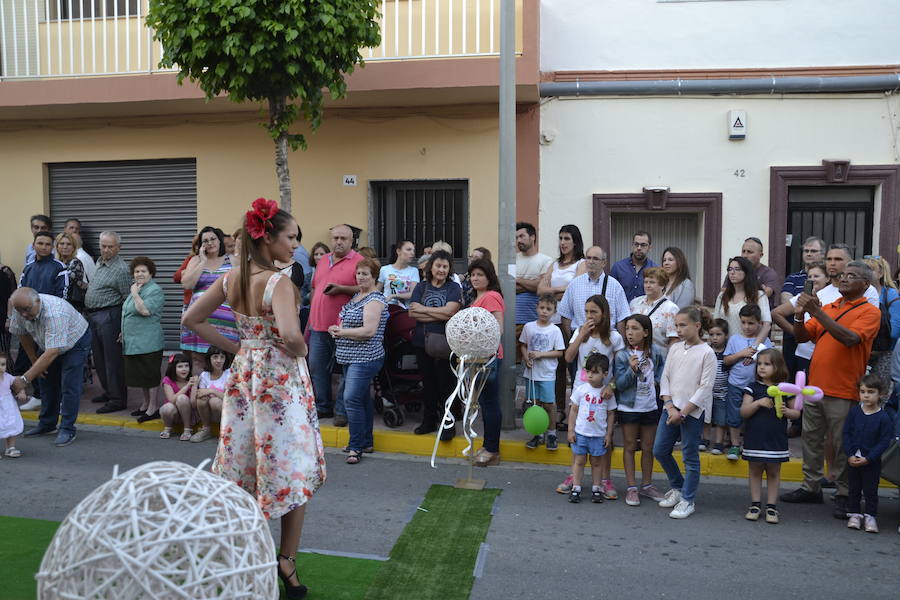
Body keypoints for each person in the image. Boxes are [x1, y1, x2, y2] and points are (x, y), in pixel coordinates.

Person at [183, 198, 324, 597]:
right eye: (291, 237)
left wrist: (238, 348)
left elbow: (190, 319)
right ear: (268, 240)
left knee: (244, 468)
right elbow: (292, 335)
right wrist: (300, 351)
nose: (296, 245)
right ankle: (286, 561)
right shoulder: (279, 282)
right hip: (280, 383)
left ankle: (244, 559)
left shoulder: (230, 280)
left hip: (246, 377)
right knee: (291, 469)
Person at [781, 261, 882, 519]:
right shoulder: (830, 306)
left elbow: (850, 338)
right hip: (816, 387)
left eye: (852, 276)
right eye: (843, 275)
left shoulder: (869, 312)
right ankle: (811, 487)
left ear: (865, 284)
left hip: (844, 389)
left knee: (841, 445)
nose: (844, 279)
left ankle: (844, 493)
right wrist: (800, 315)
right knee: (811, 440)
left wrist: (818, 312)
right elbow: (803, 337)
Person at [557, 295, 624, 497]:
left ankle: (605, 479)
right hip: (582, 389)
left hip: (603, 393)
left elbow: (620, 367)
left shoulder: (614, 337)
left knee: (603, 437)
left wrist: (611, 385)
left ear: (604, 313)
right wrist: (581, 335)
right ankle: (573, 476)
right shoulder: (580, 331)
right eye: (586, 311)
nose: (589, 315)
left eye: (594, 311)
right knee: (578, 433)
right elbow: (568, 357)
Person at [654, 306, 717, 519]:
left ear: (697, 326)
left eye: (683, 325)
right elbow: (666, 378)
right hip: (670, 409)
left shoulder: (707, 353)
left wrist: (683, 412)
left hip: (692, 414)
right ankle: (678, 487)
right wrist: (670, 406)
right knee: (660, 450)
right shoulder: (675, 348)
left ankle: (688, 500)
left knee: (690, 456)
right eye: (677, 325)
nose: (679, 330)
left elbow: (705, 387)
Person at [10, 288, 92, 447]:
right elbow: (21, 333)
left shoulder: (55, 313)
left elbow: (53, 352)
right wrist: (34, 359)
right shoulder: (20, 308)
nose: (24, 315)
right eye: (20, 311)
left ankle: (67, 428)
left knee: (69, 385)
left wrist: (25, 379)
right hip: (48, 342)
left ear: (38, 301)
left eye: (27, 310)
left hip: (75, 342)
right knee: (46, 381)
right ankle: (47, 424)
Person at [330, 258, 389, 464]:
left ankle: (355, 446)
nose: (361, 277)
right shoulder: (357, 296)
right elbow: (345, 321)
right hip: (349, 356)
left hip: (365, 358)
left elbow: (369, 331)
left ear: (374, 276)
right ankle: (366, 441)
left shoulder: (374, 299)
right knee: (362, 399)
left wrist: (342, 332)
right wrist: (336, 329)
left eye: (365, 273)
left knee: (351, 399)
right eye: (359, 273)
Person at [308, 224, 363, 425]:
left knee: (345, 371)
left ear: (351, 241)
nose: (338, 242)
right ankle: (323, 407)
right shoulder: (323, 260)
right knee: (317, 367)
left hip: (345, 328)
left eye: (343, 238)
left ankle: (342, 410)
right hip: (317, 325)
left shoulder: (359, 261)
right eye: (335, 238)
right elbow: (315, 288)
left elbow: (365, 289)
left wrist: (341, 288)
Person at [740, 349, 799, 525]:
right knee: (755, 470)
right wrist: (758, 403)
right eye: (759, 364)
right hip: (755, 437)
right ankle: (755, 504)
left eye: (767, 364)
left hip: (776, 439)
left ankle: (772, 506)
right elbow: (743, 412)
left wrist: (787, 411)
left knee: (774, 472)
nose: (762, 368)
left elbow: (796, 413)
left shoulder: (785, 389)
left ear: (778, 366)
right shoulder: (753, 387)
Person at [408, 250, 462, 436]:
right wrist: (438, 312)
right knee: (428, 384)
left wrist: (424, 309)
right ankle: (429, 421)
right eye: (438, 265)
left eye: (445, 267)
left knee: (446, 384)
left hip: (444, 343)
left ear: (449, 270)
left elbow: (450, 313)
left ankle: (448, 423)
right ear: (431, 267)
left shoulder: (453, 288)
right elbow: (412, 313)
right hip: (421, 343)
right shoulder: (421, 287)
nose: (441, 270)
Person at [614, 314, 665, 506]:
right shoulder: (621, 355)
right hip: (629, 406)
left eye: (635, 329)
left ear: (645, 332)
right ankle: (631, 487)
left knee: (648, 447)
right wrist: (632, 370)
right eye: (627, 328)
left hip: (649, 405)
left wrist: (655, 384)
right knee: (629, 446)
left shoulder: (656, 352)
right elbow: (619, 383)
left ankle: (647, 484)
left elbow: (661, 374)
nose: (630, 333)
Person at [180, 226, 239, 375]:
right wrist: (202, 261)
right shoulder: (195, 260)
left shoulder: (232, 260)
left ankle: (223, 396)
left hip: (226, 324)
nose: (210, 243)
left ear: (220, 241)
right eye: (205, 241)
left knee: (226, 361)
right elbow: (187, 284)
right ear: (201, 245)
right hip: (199, 321)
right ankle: (199, 396)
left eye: (213, 239)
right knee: (199, 360)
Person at [85, 232, 132, 414]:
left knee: (113, 360)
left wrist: (124, 326)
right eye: (103, 246)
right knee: (100, 358)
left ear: (118, 248)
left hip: (110, 316)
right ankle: (108, 392)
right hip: (95, 316)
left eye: (110, 246)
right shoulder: (99, 262)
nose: (106, 250)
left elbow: (128, 299)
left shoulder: (121, 269)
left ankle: (118, 399)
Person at [843, 374, 894, 533]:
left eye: (870, 392)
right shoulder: (854, 412)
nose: (866, 395)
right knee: (854, 488)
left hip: (871, 462)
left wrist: (869, 458)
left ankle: (870, 516)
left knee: (870, 489)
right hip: (853, 458)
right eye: (863, 391)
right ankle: (855, 514)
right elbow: (846, 433)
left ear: (881, 394)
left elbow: (884, 442)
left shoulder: (883, 418)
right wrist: (850, 454)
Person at [723, 304, 773, 461]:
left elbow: (771, 360)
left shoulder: (765, 341)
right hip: (736, 384)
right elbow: (726, 360)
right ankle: (735, 445)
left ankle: (751, 443)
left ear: (759, 323)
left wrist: (756, 357)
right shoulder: (734, 339)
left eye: (751, 323)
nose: (747, 326)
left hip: (756, 386)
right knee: (734, 415)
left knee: (754, 415)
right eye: (743, 322)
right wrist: (741, 354)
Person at [468, 258, 506, 467]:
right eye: (473, 274)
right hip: (479, 356)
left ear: (489, 277)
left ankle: (493, 450)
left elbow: (498, 329)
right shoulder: (480, 297)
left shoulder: (491, 296)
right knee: (485, 403)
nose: (475, 278)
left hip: (488, 357)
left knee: (490, 404)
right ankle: (488, 445)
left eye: (479, 275)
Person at [566, 353, 616, 504]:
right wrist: (570, 430)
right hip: (581, 434)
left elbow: (611, 414)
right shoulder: (581, 389)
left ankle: (596, 487)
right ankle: (576, 487)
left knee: (596, 462)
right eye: (588, 371)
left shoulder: (607, 394)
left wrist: (608, 434)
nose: (590, 375)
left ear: (605, 374)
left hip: (598, 435)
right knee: (579, 461)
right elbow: (573, 410)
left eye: (595, 372)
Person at [121, 257, 165, 424]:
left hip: (149, 341)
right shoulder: (138, 287)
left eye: (143, 271)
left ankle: (153, 407)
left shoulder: (154, 290)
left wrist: (134, 293)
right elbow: (127, 312)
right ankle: (145, 404)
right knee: (141, 376)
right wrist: (123, 331)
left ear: (151, 273)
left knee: (150, 375)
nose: (139, 274)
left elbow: (144, 311)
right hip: (133, 342)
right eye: (137, 271)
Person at [520, 293, 565, 450]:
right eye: (542, 308)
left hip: (546, 373)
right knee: (535, 404)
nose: (544, 311)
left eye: (549, 309)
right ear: (537, 308)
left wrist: (540, 354)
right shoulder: (528, 327)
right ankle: (538, 433)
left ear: (554, 312)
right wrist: (526, 358)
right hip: (531, 374)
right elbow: (523, 345)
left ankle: (551, 433)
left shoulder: (554, 331)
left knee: (549, 404)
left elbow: (559, 352)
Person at [558, 246, 630, 340]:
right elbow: (565, 315)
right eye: (588, 258)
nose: (591, 262)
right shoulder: (574, 284)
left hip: (606, 340)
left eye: (595, 259)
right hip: (580, 340)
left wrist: (622, 346)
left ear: (604, 263)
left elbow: (622, 318)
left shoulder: (615, 286)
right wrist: (572, 340)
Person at [771, 262, 829, 375]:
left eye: (816, 276)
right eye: (809, 277)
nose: (812, 279)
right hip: (803, 353)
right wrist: (795, 332)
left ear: (827, 278)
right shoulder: (802, 296)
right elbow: (776, 313)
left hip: (824, 353)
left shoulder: (835, 295)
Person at [714, 256, 771, 348]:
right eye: (730, 269)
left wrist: (754, 347)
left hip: (750, 347)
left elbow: (766, 325)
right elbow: (716, 323)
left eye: (737, 269)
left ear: (747, 272)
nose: (732, 272)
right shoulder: (722, 296)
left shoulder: (759, 295)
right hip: (727, 349)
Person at [863, 255, 899, 399]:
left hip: (884, 352)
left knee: (879, 393)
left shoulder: (891, 295)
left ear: (881, 274)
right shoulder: (858, 293)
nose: (867, 273)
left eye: (871, 269)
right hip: (862, 350)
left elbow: (895, 331)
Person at [515, 222, 554, 352]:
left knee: (534, 357)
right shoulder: (512, 260)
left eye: (522, 236)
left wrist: (518, 280)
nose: (518, 240)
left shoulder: (545, 260)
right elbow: (508, 287)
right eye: (516, 238)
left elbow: (540, 287)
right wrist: (531, 283)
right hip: (513, 320)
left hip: (535, 320)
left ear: (532, 237)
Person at [628, 266, 678, 351]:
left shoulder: (671, 309)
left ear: (662, 285)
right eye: (645, 282)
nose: (647, 285)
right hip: (635, 356)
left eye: (652, 282)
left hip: (659, 359)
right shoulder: (634, 303)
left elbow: (674, 340)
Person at [189, 346, 232, 443]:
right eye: (215, 357)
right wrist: (195, 386)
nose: (219, 360)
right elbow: (196, 401)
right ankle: (206, 429)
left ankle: (226, 432)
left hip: (228, 413)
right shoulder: (205, 375)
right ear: (209, 359)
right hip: (209, 414)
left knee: (214, 401)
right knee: (201, 399)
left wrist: (212, 391)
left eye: (222, 357)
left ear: (226, 359)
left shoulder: (229, 374)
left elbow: (232, 399)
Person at [735, 237, 782, 310]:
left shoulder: (769, 273)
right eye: (743, 251)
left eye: (749, 252)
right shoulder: (735, 270)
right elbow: (724, 291)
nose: (745, 256)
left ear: (761, 255)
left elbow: (765, 295)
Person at [611, 231, 658, 303]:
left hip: (645, 312)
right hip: (623, 313)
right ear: (632, 245)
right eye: (636, 244)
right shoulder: (618, 267)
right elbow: (611, 293)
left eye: (643, 245)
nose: (639, 248)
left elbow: (657, 295)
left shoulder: (655, 269)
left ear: (649, 247)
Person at [158, 353, 197, 441]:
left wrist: (194, 386)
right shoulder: (167, 380)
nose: (184, 369)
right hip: (173, 413)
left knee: (182, 398)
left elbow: (193, 404)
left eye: (186, 366)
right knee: (167, 408)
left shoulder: (192, 380)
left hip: (189, 414)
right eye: (180, 366)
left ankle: (187, 429)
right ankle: (168, 428)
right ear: (173, 368)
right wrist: (187, 386)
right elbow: (171, 400)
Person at [706, 319, 730, 455]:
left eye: (718, 334)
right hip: (707, 392)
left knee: (721, 420)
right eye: (711, 334)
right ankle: (705, 439)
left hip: (722, 393)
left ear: (726, 335)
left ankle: (719, 442)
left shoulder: (728, 353)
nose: (714, 338)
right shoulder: (707, 351)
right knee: (706, 418)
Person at [20, 231, 68, 299]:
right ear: (33, 245)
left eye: (48, 244)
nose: (44, 247)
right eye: (40, 243)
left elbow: (62, 296)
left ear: (52, 247)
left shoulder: (60, 267)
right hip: (29, 308)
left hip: (52, 308)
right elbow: (21, 291)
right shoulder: (28, 267)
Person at [378, 240, 420, 309]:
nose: (412, 253)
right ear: (398, 251)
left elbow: (412, 293)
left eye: (413, 251)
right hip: (386, 308)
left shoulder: (414, 271)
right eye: (408, 250)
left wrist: (393, 296)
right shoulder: (384, 269)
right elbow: (378, 289)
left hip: (404, 309)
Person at [0, 352, 25, 458]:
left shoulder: (8, 377)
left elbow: (18, 386)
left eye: (3, 364)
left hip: (8, 405)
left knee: (11, 424)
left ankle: (10, 447)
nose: (0, 367)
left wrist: (21, 392)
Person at [54, 232, 88, 311]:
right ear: (57, 246)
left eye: (68, 244)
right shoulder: (54, 262)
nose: (65, 247)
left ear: (73, 247)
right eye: (62, 243)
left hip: (72, 305)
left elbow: (66, 281)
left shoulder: (76, 262)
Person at [0, 256, 16, 356]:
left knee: (3, 355)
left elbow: (13, 297)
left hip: (2, 320)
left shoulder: (6, 272)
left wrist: (9, 319)